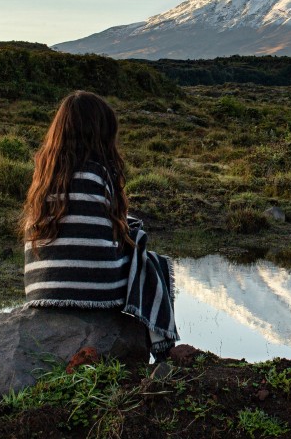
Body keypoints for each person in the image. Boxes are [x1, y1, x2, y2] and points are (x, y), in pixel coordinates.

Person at [21, 90, 178, 359]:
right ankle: (163, 349)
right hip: (98, 289)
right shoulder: (101, 172)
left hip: (40, 288)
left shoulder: (44, 174)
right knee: (149, 259)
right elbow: (114, 235)